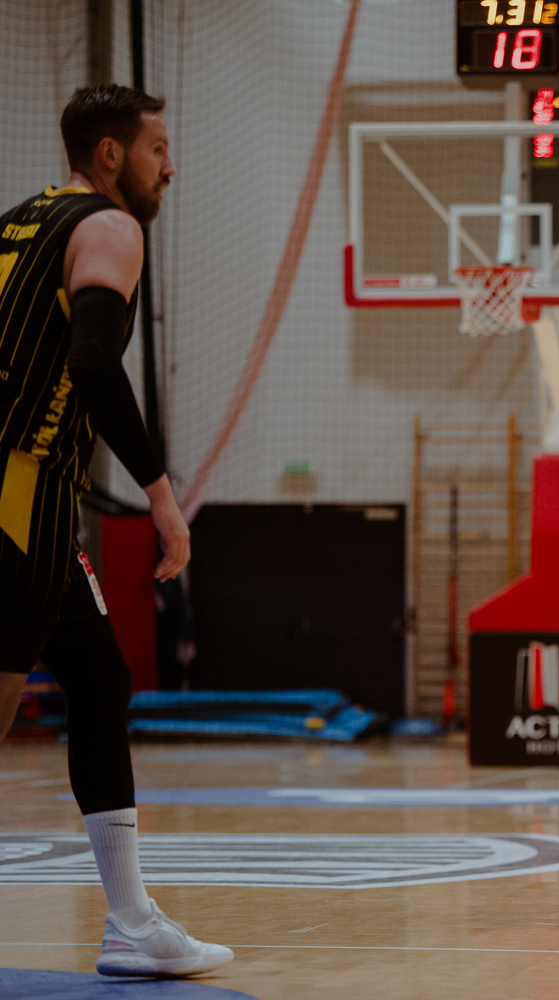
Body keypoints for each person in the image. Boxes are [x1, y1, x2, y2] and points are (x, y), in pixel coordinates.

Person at [0, 84, 231, 978]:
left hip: (38, 498)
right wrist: (161, 496)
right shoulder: (108, 226)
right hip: (18, 493)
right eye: (156, 149)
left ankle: (131, 922)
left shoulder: (15, 224)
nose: (169, 167)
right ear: (109, 155)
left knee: (100, 680)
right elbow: (95, 362)